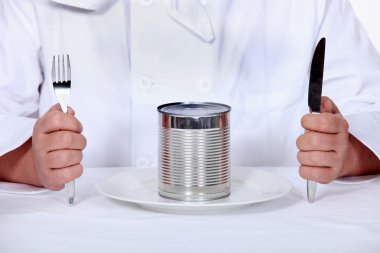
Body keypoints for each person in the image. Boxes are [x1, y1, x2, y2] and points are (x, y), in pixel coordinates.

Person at [0, 0, 379, 191]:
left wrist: (344, 154)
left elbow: (371, 112)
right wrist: (32, 164)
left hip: (273, 236)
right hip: (85, 236)